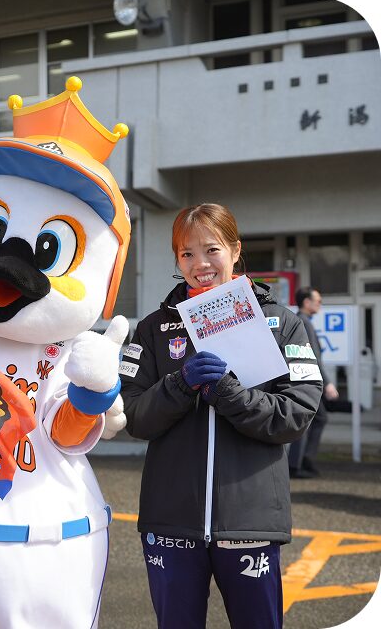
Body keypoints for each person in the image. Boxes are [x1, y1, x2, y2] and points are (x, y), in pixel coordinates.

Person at [120, 203, 322, 629]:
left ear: (235, 250)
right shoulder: (154, 328)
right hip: (171, 520)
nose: (200, 264)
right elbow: (133, 416)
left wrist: (230, 395)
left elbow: (297, 413)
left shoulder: (281, 322)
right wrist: (179, 385)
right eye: (187, 253)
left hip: (250, 521)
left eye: (211, 249)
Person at [288, 286, 340, 478]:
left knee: (313, 419)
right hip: (306, 381)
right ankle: (298, 463)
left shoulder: (299, 320)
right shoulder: (304, 322)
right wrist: (327, 383)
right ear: (307, 302)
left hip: (303, 379)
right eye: (318, 300)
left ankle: (302, 461)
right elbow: (313, 357)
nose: (320, 304)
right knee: (311, 420)